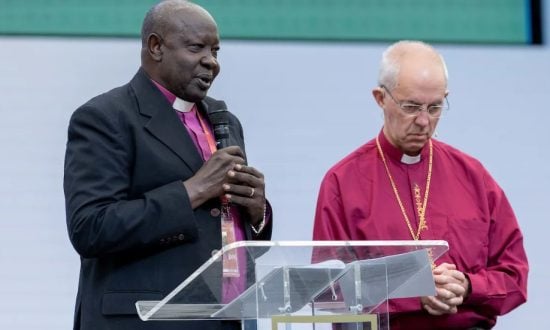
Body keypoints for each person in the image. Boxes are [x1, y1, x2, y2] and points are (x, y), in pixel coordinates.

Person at [63, 1, 272, 329]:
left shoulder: (224, 120)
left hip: (228, 317)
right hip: (143, 319)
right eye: (196, 47)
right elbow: (90, 228)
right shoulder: (106, 117)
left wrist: (258, 214)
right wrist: (193, 190)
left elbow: (228, 230)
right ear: (156, 46)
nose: (211, 62)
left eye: (216, 50)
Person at [312, 40, 528, 329]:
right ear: (380, 98)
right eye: (411, 107)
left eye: (435, 107)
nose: (424, 121)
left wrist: (467, 285)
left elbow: (515, 276)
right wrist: (413, 293)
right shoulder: (342, 182)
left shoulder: (474, 176)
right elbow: (328, 290)